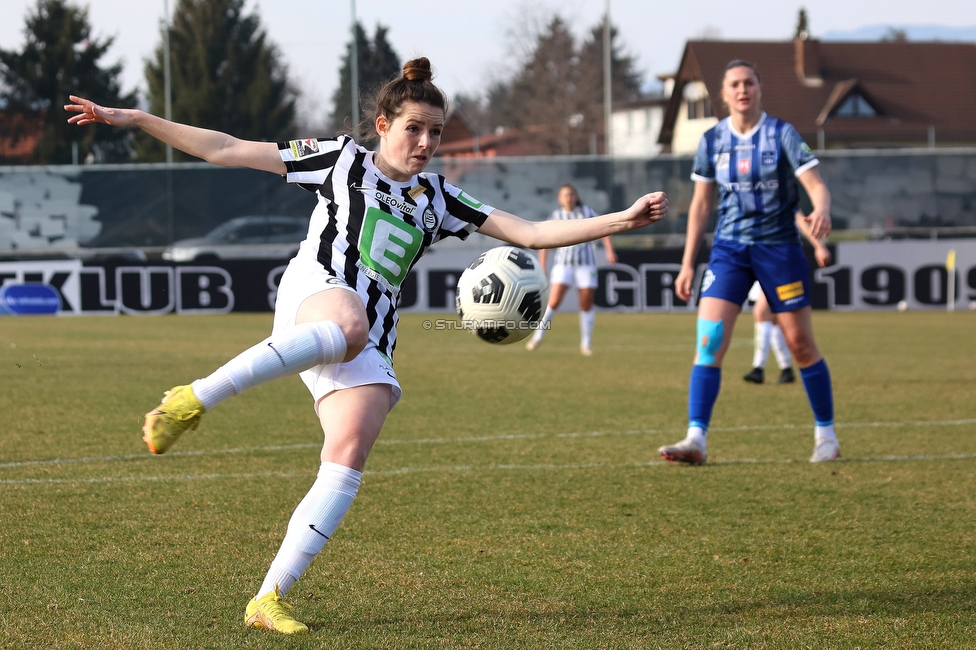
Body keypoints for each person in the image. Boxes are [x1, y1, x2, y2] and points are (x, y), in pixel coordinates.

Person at [65, 58, 668, 635]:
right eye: (414, 129)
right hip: (315, 292)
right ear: (383, 126)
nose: (426, 142)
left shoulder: (438, 197)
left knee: (351, 446)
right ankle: (190, 399)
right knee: (350, 322)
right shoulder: (340, 158)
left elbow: (532, 232)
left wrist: (620, 220)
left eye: (435, 131)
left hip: (369, 334)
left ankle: (268, 595)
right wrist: (137, 119)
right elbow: (225, 149)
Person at [656, 59, 839, 467]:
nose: (742, 90)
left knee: (800, 344)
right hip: (729, 251)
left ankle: (826, 435)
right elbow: (702, 205)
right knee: (710, 340)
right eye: (735, 85)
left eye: (749, 83)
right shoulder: (711, 140)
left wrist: (822, 209)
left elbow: (817, 187)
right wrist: (688, 263)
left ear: (759, 89)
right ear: (723, 94)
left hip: (780, 250)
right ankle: (695, 439)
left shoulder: (783, 134)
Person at [524, 184, 617, 355]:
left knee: (586, 303)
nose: (569, 198)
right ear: (560, 199)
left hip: (585, 264)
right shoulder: (556, 216)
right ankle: (538, 336)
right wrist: (542, 265)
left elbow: (605, 230)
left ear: (576, 196)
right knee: (553, 302)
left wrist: (609, 250)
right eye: (565, 195)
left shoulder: (587, 212)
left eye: (572, 194)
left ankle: (586, 344)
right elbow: (544, 241)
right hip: (563, 264)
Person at [743, 212, 832, 384]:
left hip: (781, 263)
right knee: (774, 319)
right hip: (762, 261)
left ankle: (759, 368)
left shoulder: (781, 195)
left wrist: (819, 245)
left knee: (762, 313)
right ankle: (785, 369)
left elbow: (800, 219)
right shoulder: (755, 198)